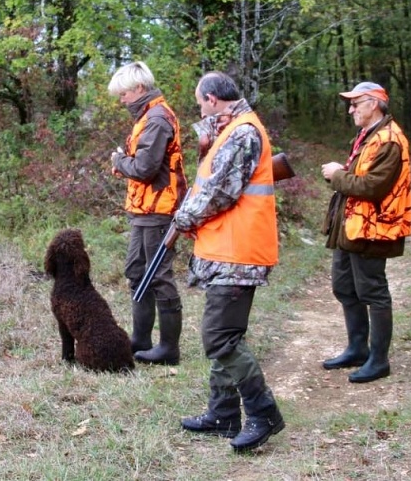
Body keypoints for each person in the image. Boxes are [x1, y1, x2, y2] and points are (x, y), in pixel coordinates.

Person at [173, 71, 284, 452]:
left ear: (212, 99)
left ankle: (263, 411)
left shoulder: (242, 132)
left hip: (240, 253)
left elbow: (220, 191)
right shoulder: (231, 129)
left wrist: (184, 218)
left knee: (220, 337)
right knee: (223, 334)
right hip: (227, 250)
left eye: (199, 101)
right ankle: (223, 413)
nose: (198, 107)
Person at [320, 81, 411, 384]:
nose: (351, 110)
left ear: (373, 103)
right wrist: (340, 177)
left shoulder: (389, 140)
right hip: (353, 226)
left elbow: (372, 188)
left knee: (373, 292)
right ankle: (358, 349)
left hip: (375, 229)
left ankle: (379, 360)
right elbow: (359, 181)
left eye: (356, 104)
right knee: (345, 287)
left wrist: (337, 175)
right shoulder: (369, 134)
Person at [108, 61, 188, 366]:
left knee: (159, 276)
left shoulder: (156, 118)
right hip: (144, 209)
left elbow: (144, 168)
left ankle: (169, 349)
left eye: (124, 93)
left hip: (159, 209)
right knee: (137, 273)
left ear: (139, 89)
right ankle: (141, 340)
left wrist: (119, 161)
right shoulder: (147, 116)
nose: (122, 100)